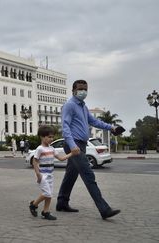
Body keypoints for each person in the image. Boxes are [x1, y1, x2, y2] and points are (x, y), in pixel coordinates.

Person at [56, 79, 121, 219]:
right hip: (74, 145)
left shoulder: (83, 107)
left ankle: (61, 203)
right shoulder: (69, 105)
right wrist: (73, 146)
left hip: (81, 145)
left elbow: (94, 121)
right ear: (73, 90)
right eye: (80, 89)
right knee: (88, 174)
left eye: (85, 89)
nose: (83, 91)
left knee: (71, 175)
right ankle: (104, 209)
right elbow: (65, 127)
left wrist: (111, 127)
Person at [29, 125, 72, 220]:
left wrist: (72, 153)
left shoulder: (52, 149)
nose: (51, 139)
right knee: (47, 193)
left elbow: (61, 158)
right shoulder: (40, 149)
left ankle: (45, 212)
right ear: (42, 137)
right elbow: (34, 161)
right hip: (42, 175)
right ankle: (34, 205)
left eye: (52, 137)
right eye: (49, 137)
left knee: (49, 195)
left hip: (50, 175)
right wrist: (38, 174)